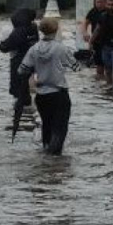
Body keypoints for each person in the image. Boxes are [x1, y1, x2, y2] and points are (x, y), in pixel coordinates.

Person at [19, 18, 79, 155]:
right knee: (60, 127)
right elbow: (76, 67)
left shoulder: (33, 49)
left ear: (41, 31)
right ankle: (54, 160)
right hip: (59, 93)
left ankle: (46, 158)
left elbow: (21, 70)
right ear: (56, 30)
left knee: (46, 125)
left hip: (41, 95)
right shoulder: (61, 48)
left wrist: (35, 71)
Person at [0, 8, 39, 112]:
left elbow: (4, 47)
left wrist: (3, 42)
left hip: (19, 62)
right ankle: (28, 116)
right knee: (26, 89)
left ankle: (22, 116)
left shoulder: (19, 32)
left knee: (19, 91)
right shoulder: (33, 28)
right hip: (32, 63)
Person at [83, 0, 106, 80]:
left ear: (105, 2)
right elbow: (85, 22)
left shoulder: (108, 12)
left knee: (108, 63)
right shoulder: (93, 11)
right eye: (97, 2)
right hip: (96, 40)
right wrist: (85, 33)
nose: (99, 4)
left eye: (101, 2)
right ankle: (100, 80)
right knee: (98, 62)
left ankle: (108, 81)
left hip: (107, 40)